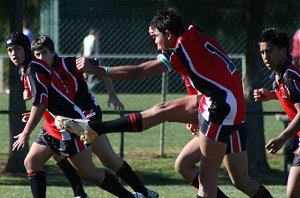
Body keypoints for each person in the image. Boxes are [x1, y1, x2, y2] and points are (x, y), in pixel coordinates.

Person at [57, 8, 273, 198]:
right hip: (224, 101)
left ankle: (95, 127)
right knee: (199, 167)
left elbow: (139, 72)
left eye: (155, 36)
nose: (155, 42)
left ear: (168, 34)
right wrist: (195, 113)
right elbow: (193, 74)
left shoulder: (179, 50)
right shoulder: (191, 32)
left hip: (221, 107)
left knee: (207, 183)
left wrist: (97, 69)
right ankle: (95, 128)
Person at [6, 32, 145, 198]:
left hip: (70, 125)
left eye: (17, 48)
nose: (13, 53)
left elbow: (42, 103)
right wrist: (35, 114)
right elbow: (48, 101)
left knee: (90, 172)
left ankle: (130, 196)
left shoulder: (35, 69)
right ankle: (80, 193)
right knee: (31, 162)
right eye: (10, 50)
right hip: (54, 125)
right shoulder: (29, 68)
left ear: (26, 49)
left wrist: (26, 133)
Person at [254, 27, 300, 198]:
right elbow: (291, 96)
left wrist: (282, 138)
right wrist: (271, 95)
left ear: (283, 50)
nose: (265, 57)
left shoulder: (290, 76)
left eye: (269, 51)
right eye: (262, 52)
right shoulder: (279, 76)